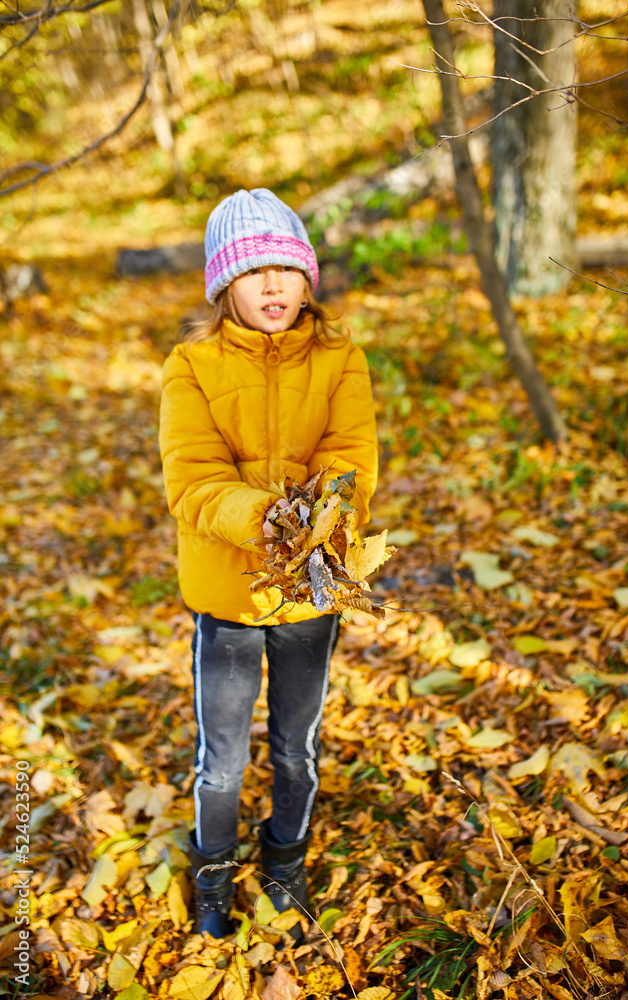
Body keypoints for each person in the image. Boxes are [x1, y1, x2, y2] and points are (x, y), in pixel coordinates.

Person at [159, 188, 378, 940]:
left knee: (296, 747)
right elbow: (191, 479)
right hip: (226, 592)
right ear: (225, 287)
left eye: (286, 268)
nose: (274, 286)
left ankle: (285, 861)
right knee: (221, 758)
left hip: (308, 599)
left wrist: (326, 520)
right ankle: (213, 867)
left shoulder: (341, 358)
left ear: (307, 278)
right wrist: (264, 520)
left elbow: (350, 458)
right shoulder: (191, 367)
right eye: (254, 273)